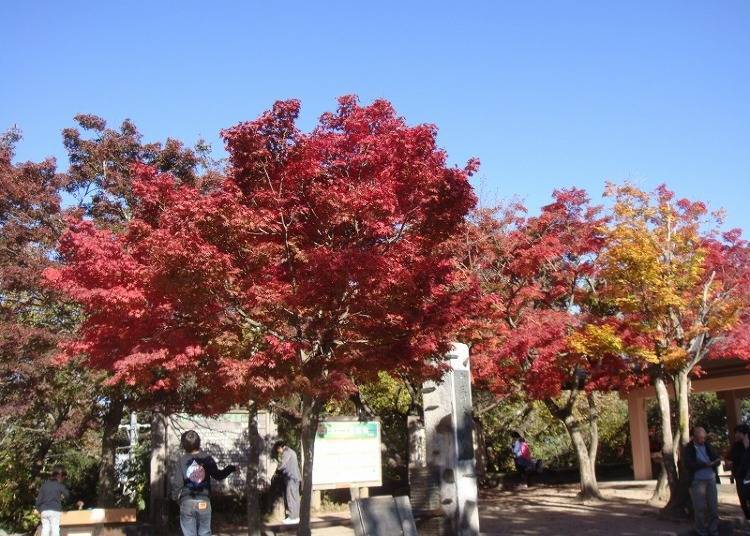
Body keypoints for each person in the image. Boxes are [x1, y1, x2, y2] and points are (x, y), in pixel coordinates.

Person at [171, 430, 237, 536]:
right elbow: (218, 475)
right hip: (204, 502)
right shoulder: (207, 459)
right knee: (205, 533)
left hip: (187, 502)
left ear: (184, 445)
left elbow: (177, 484)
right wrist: (231, 468)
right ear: (199, 442)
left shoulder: (182, 460)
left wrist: (175, 498)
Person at [683, 426, 721, 536]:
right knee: (699, 508)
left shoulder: (708, 445)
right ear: (694, 437)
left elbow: (716, 456)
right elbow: (688, 464)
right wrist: (704, 464)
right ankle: (701, 531)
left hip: (711, 479)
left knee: (713, 507)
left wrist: (717, 461)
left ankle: (713, 530)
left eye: (704, 438)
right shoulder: (688, 448)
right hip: (697, 481)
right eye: (700, 438)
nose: (702, 440)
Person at [35, 465, 83, 536]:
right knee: (55, 529)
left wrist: (39, 510)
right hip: (54, 510)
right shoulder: (59, 485)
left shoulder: (44, 485)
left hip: (44, 511)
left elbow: (38, 501)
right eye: (63, 477)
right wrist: (77, 501)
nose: (63, 479)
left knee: (45, 529)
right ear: (59, 475)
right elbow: (68, 495)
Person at [273, 440, 301, 525]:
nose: (278, 452)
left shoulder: (287, 452)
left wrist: (276, 471)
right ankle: (296, 517)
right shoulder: (292, 451)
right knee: (295, 497)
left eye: (278, 450)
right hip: (295, 478)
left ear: (280, 447)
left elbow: (282, 465)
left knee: (290, 497)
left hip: (291, 479)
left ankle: (292, 518)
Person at [726, 424, 750, 519]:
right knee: (744, 502)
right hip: (740, 478)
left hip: (748, 477)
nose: (736, 435)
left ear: (745, 434)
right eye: (735, 432)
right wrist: (728, 462)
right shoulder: (735, 446)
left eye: (738, 433)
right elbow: (728, 458)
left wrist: (747, 447)